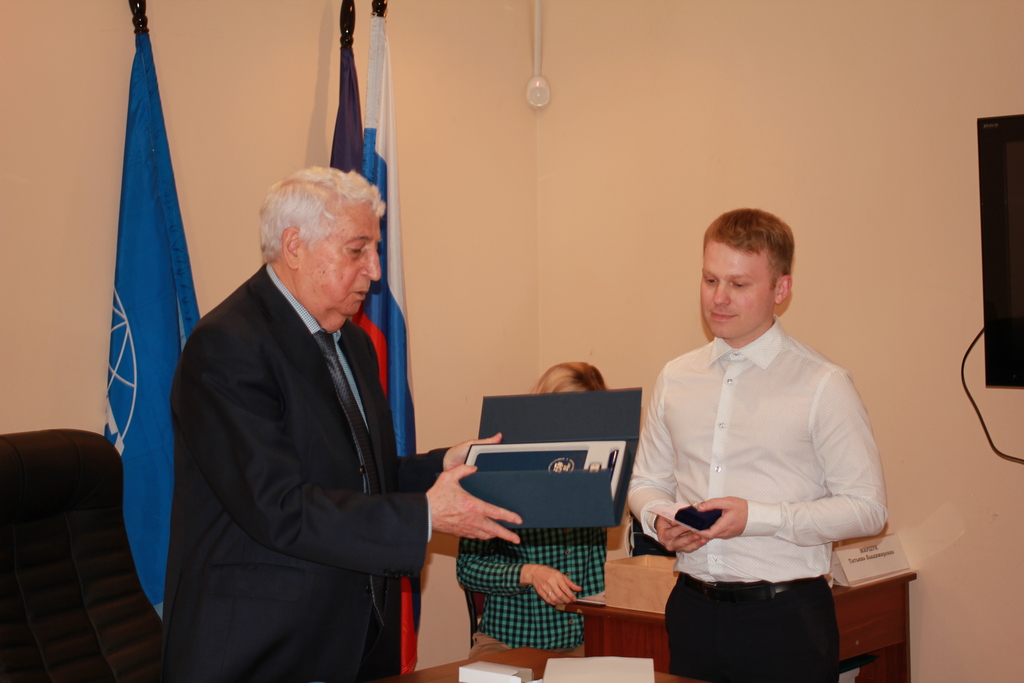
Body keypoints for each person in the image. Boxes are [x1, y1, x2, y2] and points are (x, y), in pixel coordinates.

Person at [162, 167, 522, 683]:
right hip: (262, 651)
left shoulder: (350, 341)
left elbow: (361, 475)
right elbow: (279, 506)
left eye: (375, 250)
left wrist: (443, 466)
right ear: (294, 246)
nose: (374, 270)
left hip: (352, 640)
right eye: (357, 250)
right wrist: (425, 515)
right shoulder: (227, 345)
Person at [627, 208, 888, 683]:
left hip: (785, 619)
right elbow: (646, 480)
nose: (719, 298)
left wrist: (758, 517)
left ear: (781, 289)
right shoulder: (676, 377)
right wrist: (657, 519)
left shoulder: (823, 384)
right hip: (692, 610)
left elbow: (868, 509)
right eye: (710, 280)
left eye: (739, 284)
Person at [456, 362, 608, 657]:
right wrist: (529, 573)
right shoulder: (499, 470)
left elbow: (593, 577)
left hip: (581, 642)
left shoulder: (598, 468)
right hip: (507, 643)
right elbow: (467, 569)